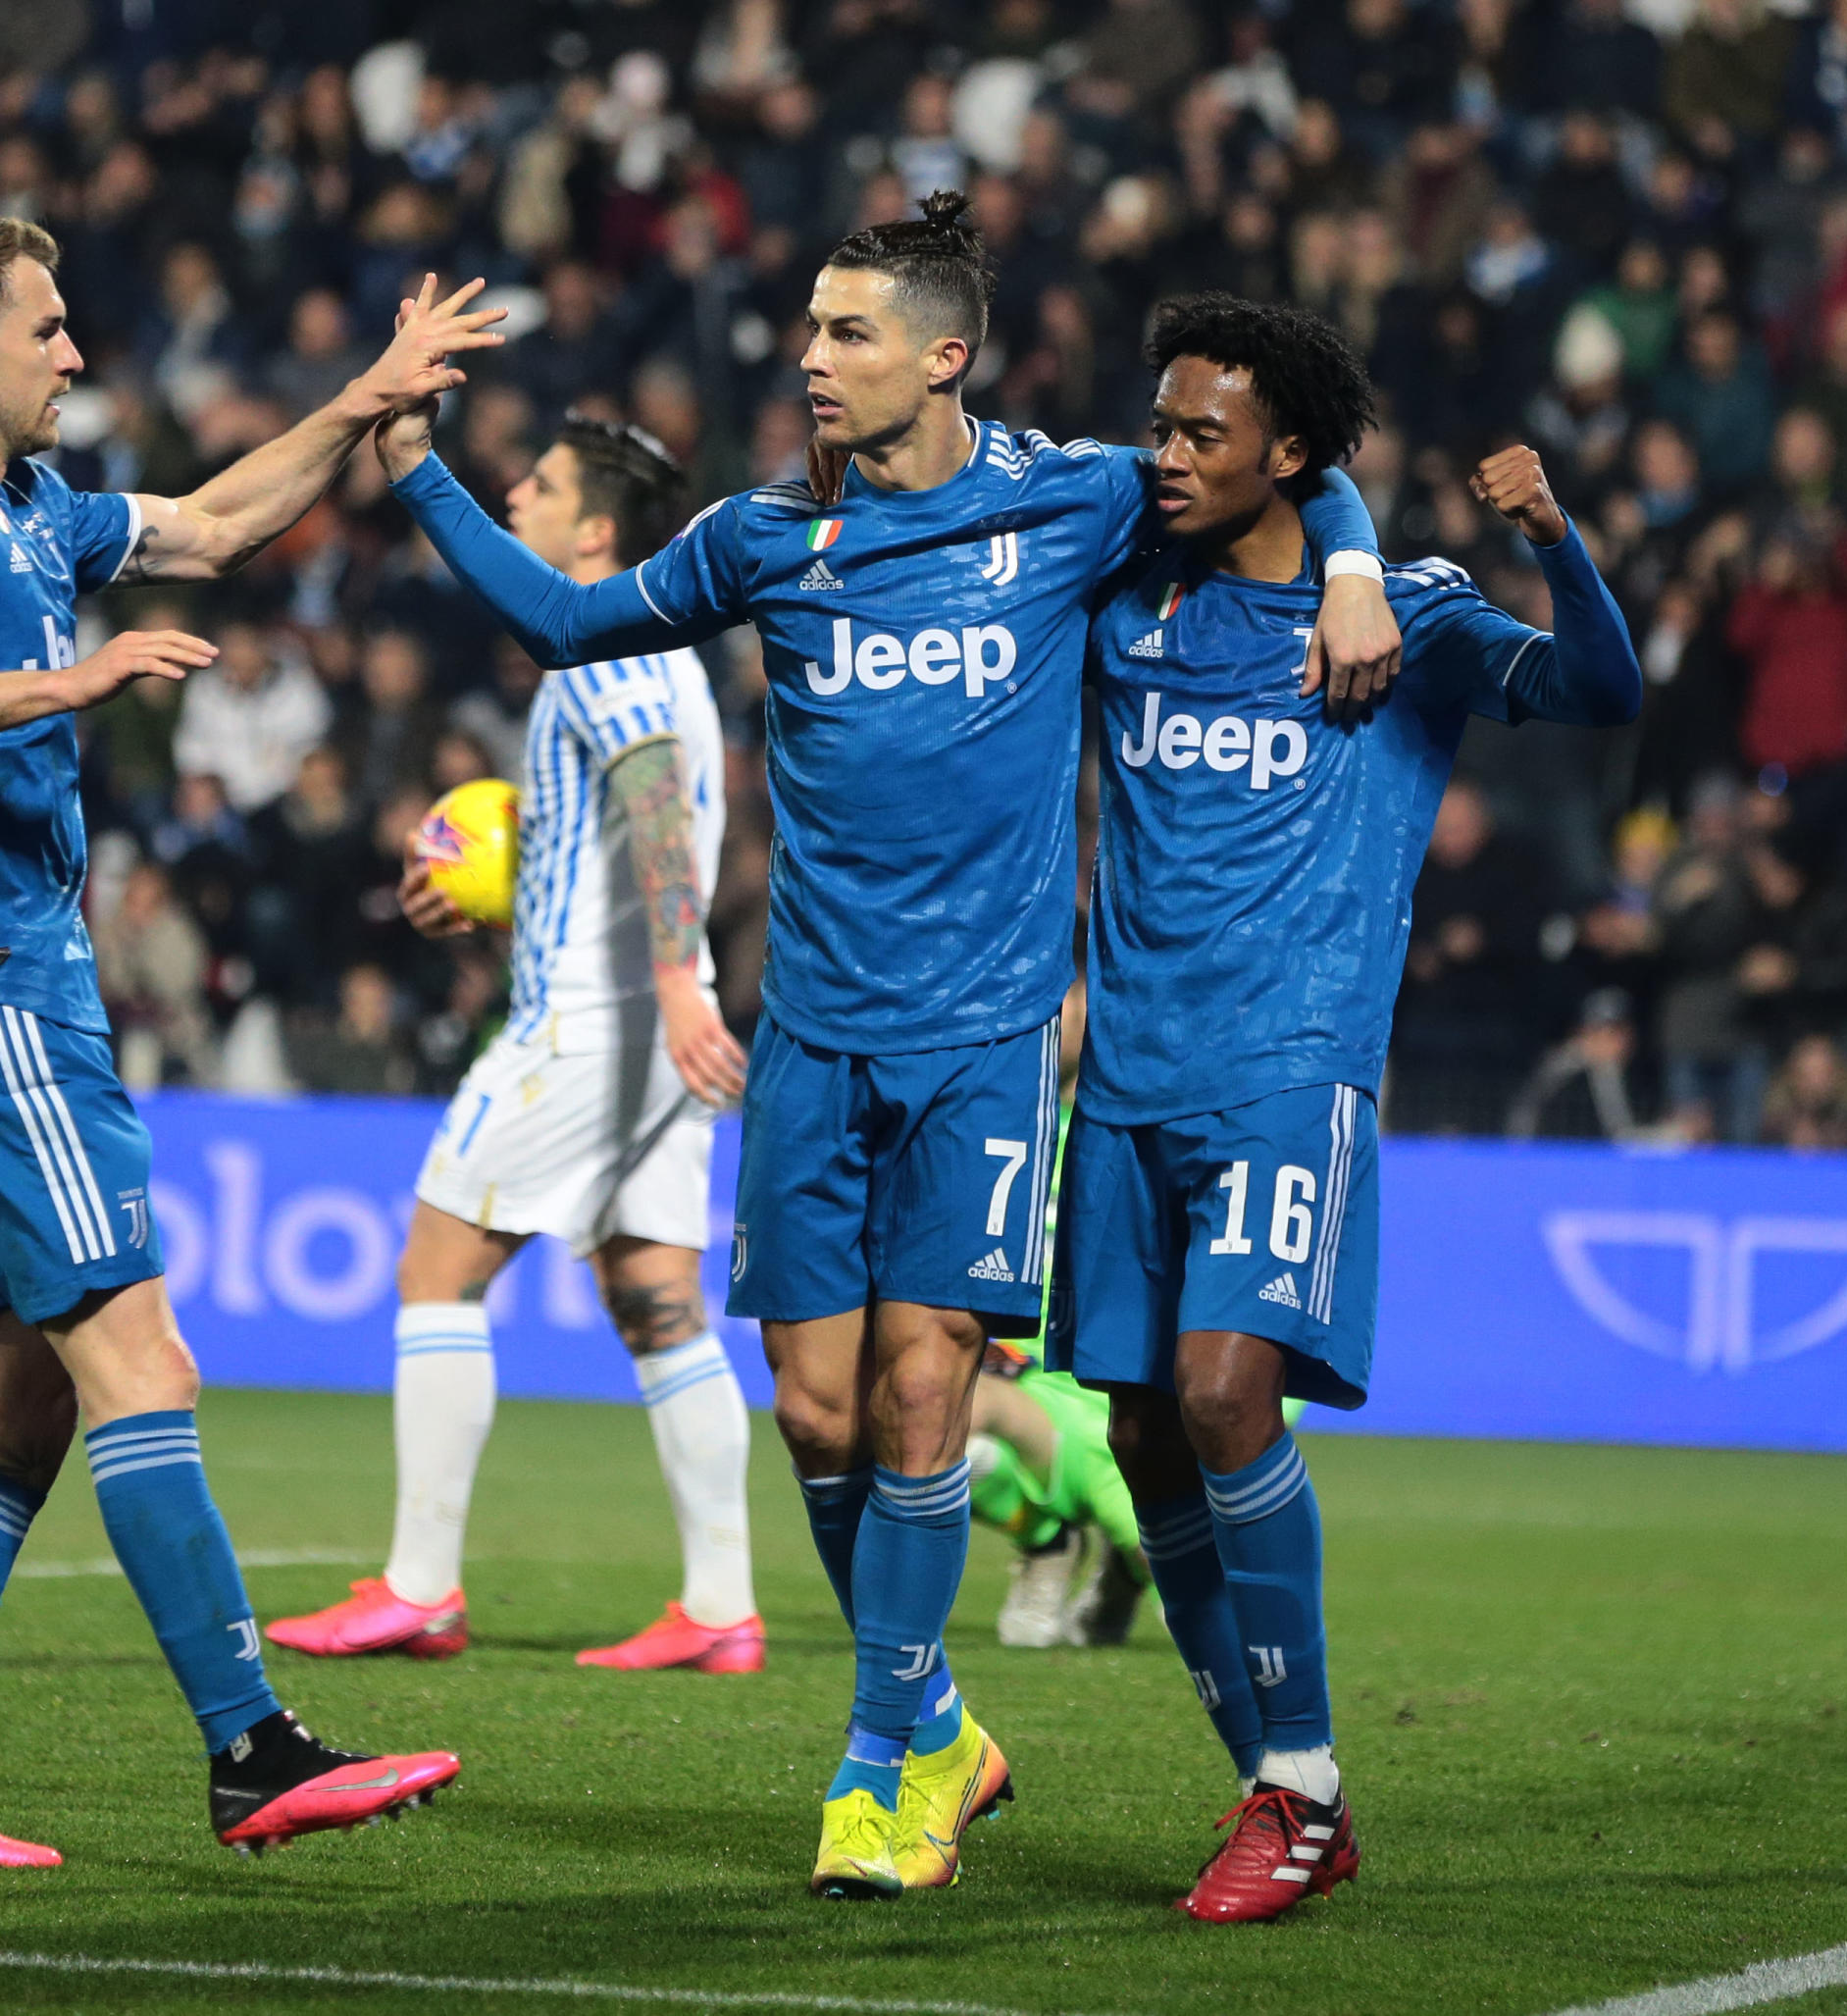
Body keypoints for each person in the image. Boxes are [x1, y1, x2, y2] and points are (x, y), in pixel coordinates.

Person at [372, 191, 1403, 1899]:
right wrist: (415, 470)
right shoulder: (763, 536)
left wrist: (1357, 563)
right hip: (812, 1037)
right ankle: (935, 1723)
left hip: (988, 1039)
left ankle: (876, 1771)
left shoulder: (1070, 498)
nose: (809, 358)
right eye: (808, 329)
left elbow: (1274, 455)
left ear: (945, 352)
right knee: (814, 1410)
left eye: (846, 332)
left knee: (931, 1384)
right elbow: (566, 624)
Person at [0, 208, 498, 1869]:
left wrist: (358, 400)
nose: (77, 354)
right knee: (143, 1363)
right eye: (47, 327)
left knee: (17, 1409)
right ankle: (252, 1749)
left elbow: (210, 525)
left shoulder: (28, 502)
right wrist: (66, 686)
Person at [1054, 295, 1639, 1923]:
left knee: (1227, 1391)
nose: (1163, 456)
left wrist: (1552, 539)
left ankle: (1296, 1783)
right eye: (1155, 427)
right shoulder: (1123, 592)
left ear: (1288, 455)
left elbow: (1601, 691)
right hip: (1124, 1085)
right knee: (1142, 1431)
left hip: (1284, 1065)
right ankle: (1276, 1780)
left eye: (1198, 435)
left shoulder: (1408, 622)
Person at [268, 420, 762, 1676]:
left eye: (538, 487)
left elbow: (651, 794)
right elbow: (623, 814)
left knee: (437, 1269)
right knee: (656, 1301)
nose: (516, 493)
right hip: (658, 1016)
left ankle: (420, 1588)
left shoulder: (596, 627)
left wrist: (662, 974)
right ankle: (722, 1606)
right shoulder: (669, 651)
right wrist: (501, 885)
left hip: (598, 1020)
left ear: (594, 532)